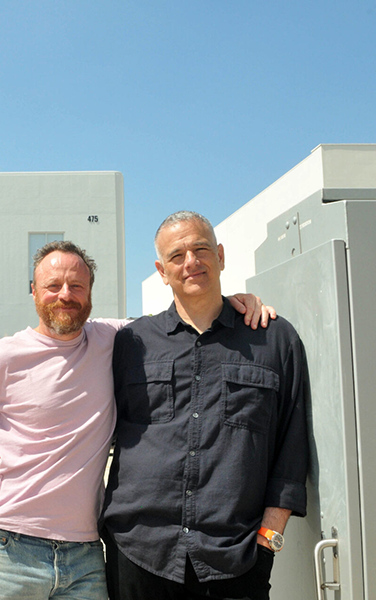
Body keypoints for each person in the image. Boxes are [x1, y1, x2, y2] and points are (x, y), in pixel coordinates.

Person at [0, 240, 273, 600]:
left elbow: (182, 321)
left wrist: (233, 302)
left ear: (90, 292)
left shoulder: (114, 338)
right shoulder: (4, 356)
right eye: (53, 286)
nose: (65, 295)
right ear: (33, 291)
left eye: (77, 286)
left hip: (86, 553)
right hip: (10, 548)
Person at [101, 211, 310, 600]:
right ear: (162, 271)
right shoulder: (130, 343)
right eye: (177, 255)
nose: (191, 262)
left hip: (237, 558)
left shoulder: (275, 340)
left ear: (221, 256)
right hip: (137, 553)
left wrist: (269, 539)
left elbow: (291, 451)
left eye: (201, 249)